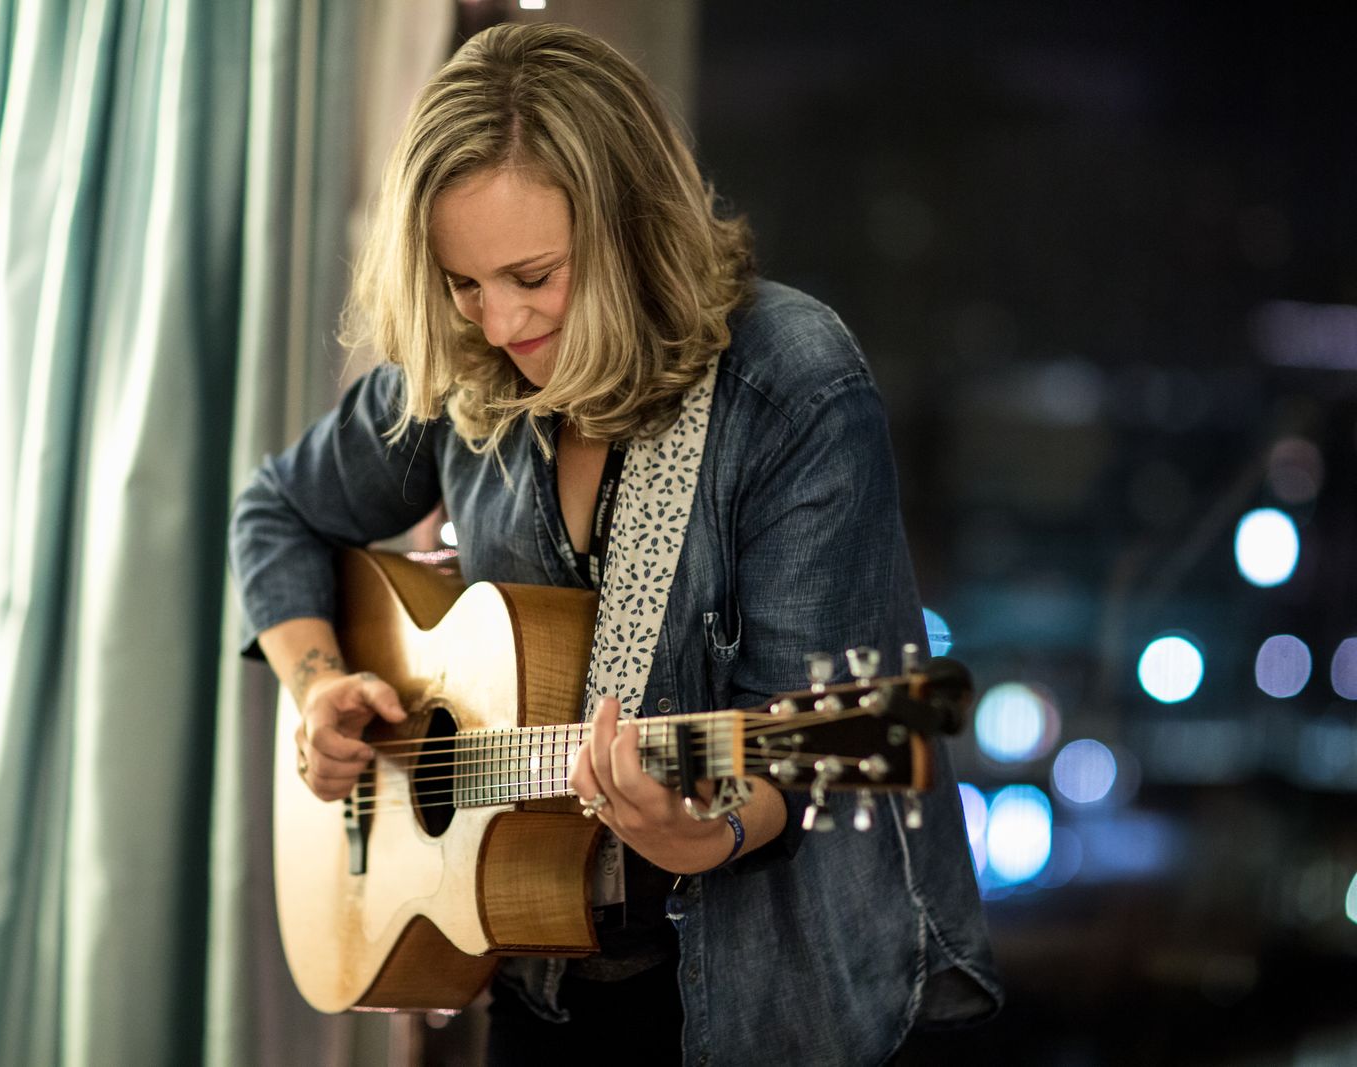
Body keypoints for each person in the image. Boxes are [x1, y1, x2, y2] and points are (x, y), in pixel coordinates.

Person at [229, 21, 1000, 1066]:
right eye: (463, 283)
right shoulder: (464, 368)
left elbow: (818, 740)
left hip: (760, 997)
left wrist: (708, 830)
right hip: (544, 986)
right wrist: (320, 684)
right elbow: (276, 511)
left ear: (631, 228)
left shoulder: (790, 384)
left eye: (533, 275)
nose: (499, 324)